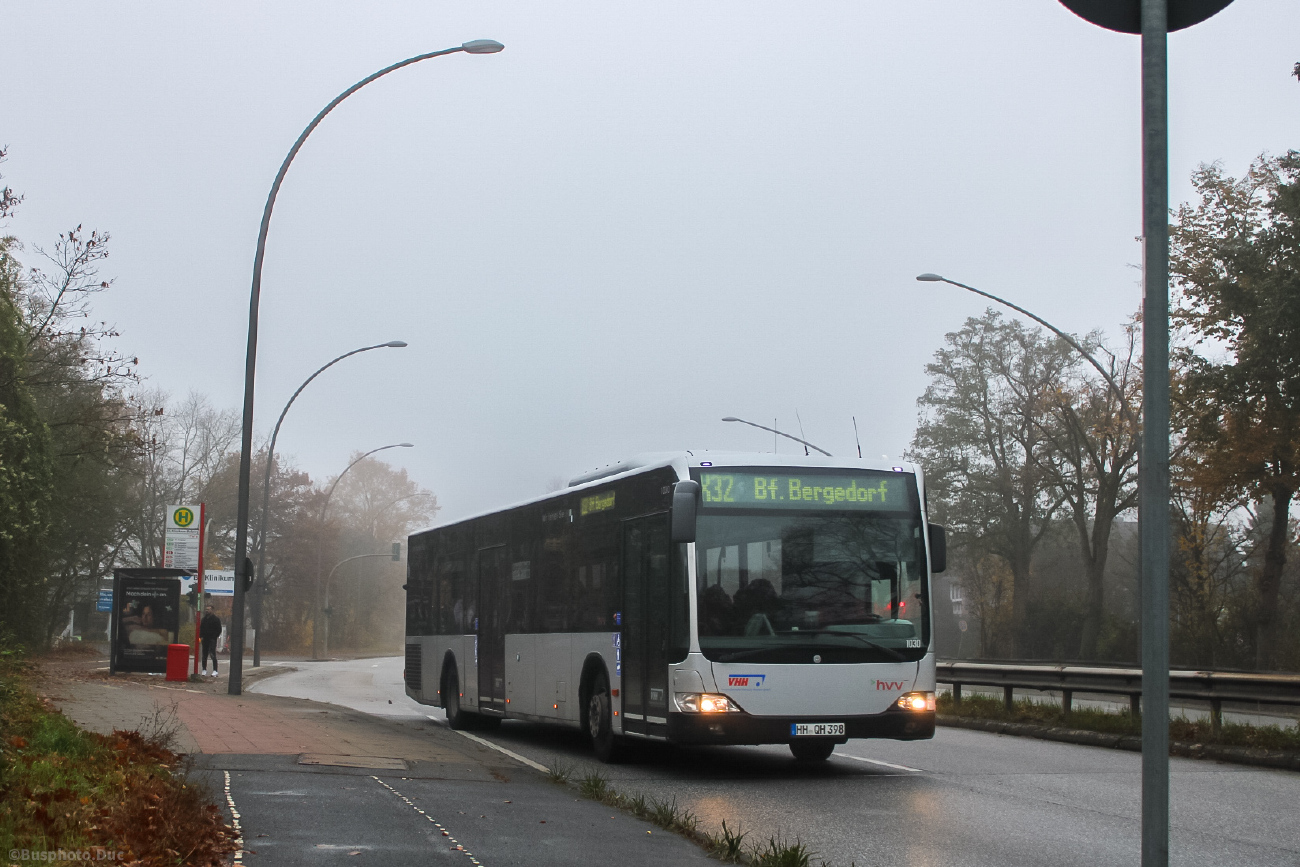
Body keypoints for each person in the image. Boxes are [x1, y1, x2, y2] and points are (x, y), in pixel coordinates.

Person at [200, 604, 222, 676]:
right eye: (206, 609)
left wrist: (214, 637)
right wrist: (201, 636)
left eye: (208, 609)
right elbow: (201, 629)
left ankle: (215, 670)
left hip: (212, 639)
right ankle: (204, 669)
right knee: (204, 655)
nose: (207, 611)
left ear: (212, 610)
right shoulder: (204, 619)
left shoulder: (216, 619)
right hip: (205, 639)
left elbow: (219, 629)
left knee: (212, 654)